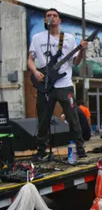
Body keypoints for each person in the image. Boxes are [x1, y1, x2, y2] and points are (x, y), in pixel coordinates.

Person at [27, 8, 88, 161]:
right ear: (44, 20)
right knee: (43, 119)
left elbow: (75, 62)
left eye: (55, 16)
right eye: (48, 15)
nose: (52, 18)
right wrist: (35, 72)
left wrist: (81, 51)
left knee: (73, 116)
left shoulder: (68, 39)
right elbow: (30, 60)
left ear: (59, 20)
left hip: (64, 84)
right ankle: (41, 150)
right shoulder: (37, 38)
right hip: (45, 84)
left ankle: (80, 149)